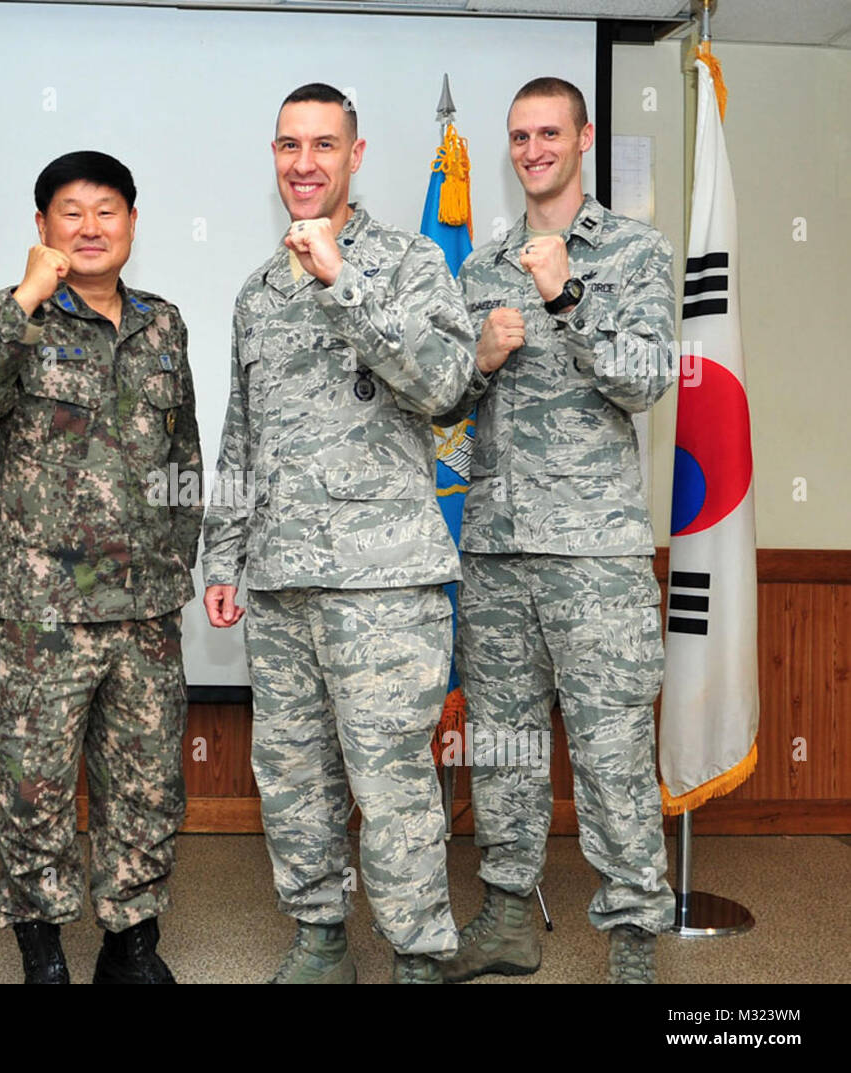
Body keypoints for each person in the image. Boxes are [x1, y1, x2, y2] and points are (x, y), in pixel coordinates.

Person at [202, 84, 477, 984]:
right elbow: (241, 434)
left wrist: (343, 281)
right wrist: (223, 551)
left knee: (393, 785)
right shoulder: (254, 290)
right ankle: (320, 935)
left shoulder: (406, 263)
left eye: (324, 144)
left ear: (357, 156)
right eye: (288, 145)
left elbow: (447, 386)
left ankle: (418, 954)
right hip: (282, 584)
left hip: (384, 584)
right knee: (293, 779)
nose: (304, 162)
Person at [0, 151, 202, 984]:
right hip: (44, 612)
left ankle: (131, 941)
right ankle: (42, 944)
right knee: (34, 785)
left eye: (108, 210)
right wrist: (22, 298)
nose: (90, 228)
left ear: (131, 222)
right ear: (42, 227)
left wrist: (178, 560)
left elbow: (183, 456)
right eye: (70, 212)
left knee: (148, 784)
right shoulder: (13, 319)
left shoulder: (163, 324)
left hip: (145, 611)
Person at [435, 78, 677, 984]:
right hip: (496, 547)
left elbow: (649, 376)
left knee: (611, 743)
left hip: (594, 551)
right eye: (519, 136)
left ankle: (633, 941)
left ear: (581, 138)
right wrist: (479, 359)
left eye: (549, 132)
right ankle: (506, 914)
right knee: (503, 739)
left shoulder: (635, 251)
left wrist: (569, 296)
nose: (533, 149)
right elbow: (447, 407)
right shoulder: (480, 266)